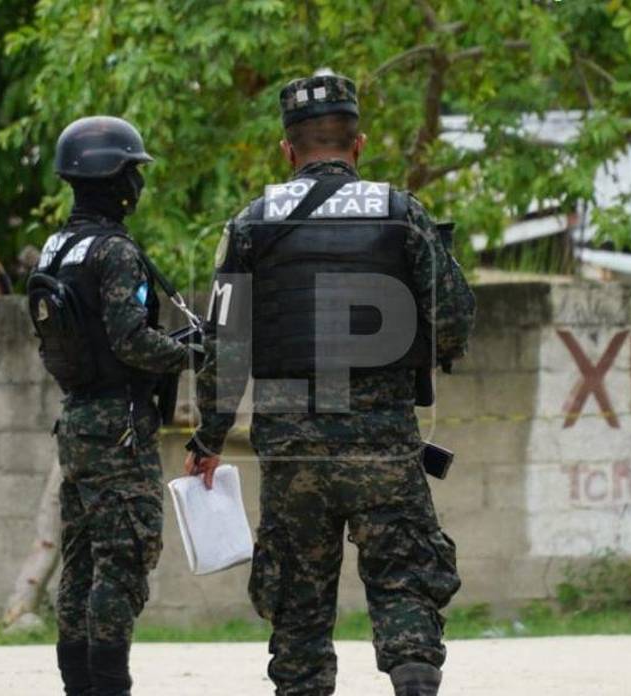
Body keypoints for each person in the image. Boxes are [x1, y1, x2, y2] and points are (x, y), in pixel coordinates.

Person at [184, 75, 476, 696]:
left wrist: (208, 438)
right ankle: (414, 679)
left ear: (287, 151)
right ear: (358, 144)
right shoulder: (403, 214)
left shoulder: (251, 224)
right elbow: (454, 322)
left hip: (293, 451)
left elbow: (224, 347)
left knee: (298, 613)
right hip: (384, 442)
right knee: (405, 587)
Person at [31, 116, 191, 696]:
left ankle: (80, 686)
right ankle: (109, 685)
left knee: (80, 564)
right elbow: (131, 342)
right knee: (122, 560)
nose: (137, 185)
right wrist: (189, 352)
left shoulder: (56, 248)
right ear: (114, 180)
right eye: (132, 173)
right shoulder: (114, 251)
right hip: (119, 427)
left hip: (76, 422)